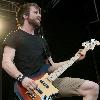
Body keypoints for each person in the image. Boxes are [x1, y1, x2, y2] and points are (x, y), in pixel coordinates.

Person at [2, 3, 99, 100]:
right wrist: (22, 79)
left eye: (40, 13)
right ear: (25, 16)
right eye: (35, 12)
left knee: (92, 88)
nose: (39, 15)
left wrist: (75, 58)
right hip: (27, 87)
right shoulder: (14, 36)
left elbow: (51, 67)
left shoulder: (42, 41)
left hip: (48, 82)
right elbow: (6, 62)